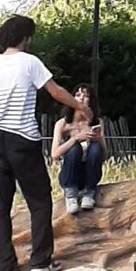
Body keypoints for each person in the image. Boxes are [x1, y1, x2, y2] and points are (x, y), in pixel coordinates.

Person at [0, 14, 81, 271]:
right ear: (25, 37)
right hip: (23, 137)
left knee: (0, 204)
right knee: (39, 201)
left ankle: (5, 266)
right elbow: (56, 91)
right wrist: (79, 105)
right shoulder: (30, 62)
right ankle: (40, 260)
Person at [51, 83, 105, 215]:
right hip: (70, 173)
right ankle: (70, 196)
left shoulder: (97, 122)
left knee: (95, 148)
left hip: (89, 172)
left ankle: (89, 193)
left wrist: (97, 138)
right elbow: (54, 154)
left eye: (86, 96)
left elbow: (104, 154)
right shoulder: (63, 124)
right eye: (78, 95)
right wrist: (74, 138)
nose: (81, 98)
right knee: (74, 149)